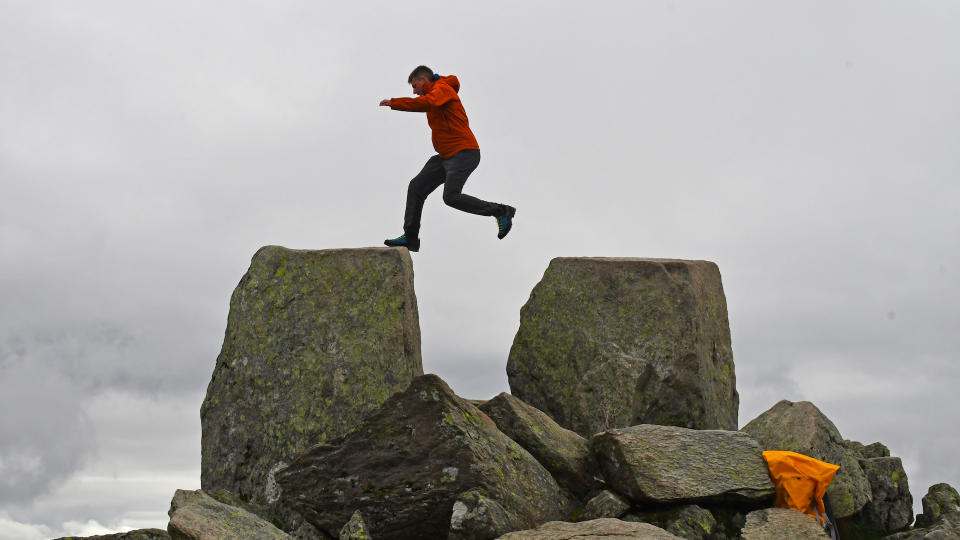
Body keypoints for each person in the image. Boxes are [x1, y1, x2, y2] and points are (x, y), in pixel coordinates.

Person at [379, 65, 515, 252]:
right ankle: (410, 238)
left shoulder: (441, 89)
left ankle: (501, 211)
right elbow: (427, 103)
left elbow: (427, 103)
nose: (413, 91)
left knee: (451, 196)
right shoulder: (435, 91)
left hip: (465, 152)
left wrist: (395, 102)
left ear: (423, 80)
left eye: (414, 85)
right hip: (445, 156)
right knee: (416, 186)